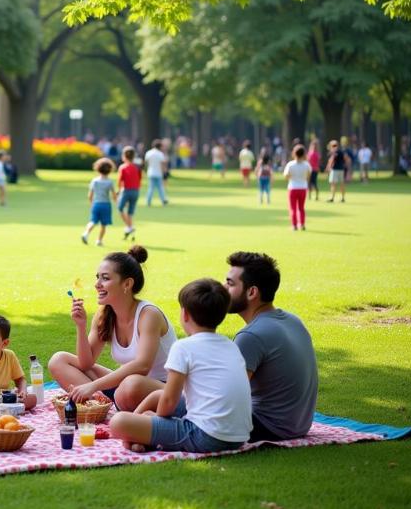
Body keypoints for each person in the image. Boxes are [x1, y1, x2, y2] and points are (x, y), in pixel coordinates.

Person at [109, 278, 251, 453]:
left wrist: (156, 422)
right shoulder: (231, 346)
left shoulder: (183, 347)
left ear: (185, 315)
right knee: (155, 397)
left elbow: (169, 401)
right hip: (239, 437)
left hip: (206, 437)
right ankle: (140, 433)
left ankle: (140, 434)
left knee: (118, 422)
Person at [48, 245, 177, 412]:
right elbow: (85, 363)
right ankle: (100, 407)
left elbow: (142, 366)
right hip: (125, 389)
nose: (97, 284)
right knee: (59, 360)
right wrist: (81, 327)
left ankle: (112, 406)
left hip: (162, 389)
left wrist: (93, 386)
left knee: (131, 384)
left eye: (105, 278)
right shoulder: (104, 314)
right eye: (97, 278)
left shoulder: (148, 315)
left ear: (127, 284)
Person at [224, 251, 318, 441]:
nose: (222, 288)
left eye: (230, 283)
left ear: (252, 292)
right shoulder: (292, 320)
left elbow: (228, 396)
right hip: (298, 426)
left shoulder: (250, 336)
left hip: (266, 427)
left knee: (170, 402)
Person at [81, 158, 116, 246]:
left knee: (93, 221)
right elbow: (114, 195)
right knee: (103, 225)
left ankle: (86, 234)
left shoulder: (95, 181)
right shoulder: (110, 182)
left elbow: (90, 195)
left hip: (96, 204)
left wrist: (91, 204)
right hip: (106, 205)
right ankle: (99, 240)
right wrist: (116, 200)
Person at [283, 144, 311, 231]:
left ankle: (294, 225)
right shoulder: (306, 165)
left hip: (293, 187)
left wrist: (292, 177)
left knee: (293, 208)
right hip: (303, 187)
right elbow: (308, 175)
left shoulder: (290, 165)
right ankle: (302, 224)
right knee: (301, 208)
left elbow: (286, 176)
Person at [117, 145, 142, 239]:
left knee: (120, 209)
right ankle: (130, 231)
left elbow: (120, 181)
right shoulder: (137, 167)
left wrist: (119, 191)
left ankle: (129, 227)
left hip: (126, 190)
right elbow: (139, 179)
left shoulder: (123, 167)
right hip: (136, 191)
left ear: (124, 155)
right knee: (130, 212)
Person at [143, 139, 169, 206]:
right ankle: (163, 200)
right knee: (160, 188)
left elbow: (146, 163)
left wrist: (145, 171)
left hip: (150, 172)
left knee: (151, 188)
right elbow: (162, 164)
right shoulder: (160, 154)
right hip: (158, 173)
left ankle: (148, 201)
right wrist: (165, 173)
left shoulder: (149, 153)